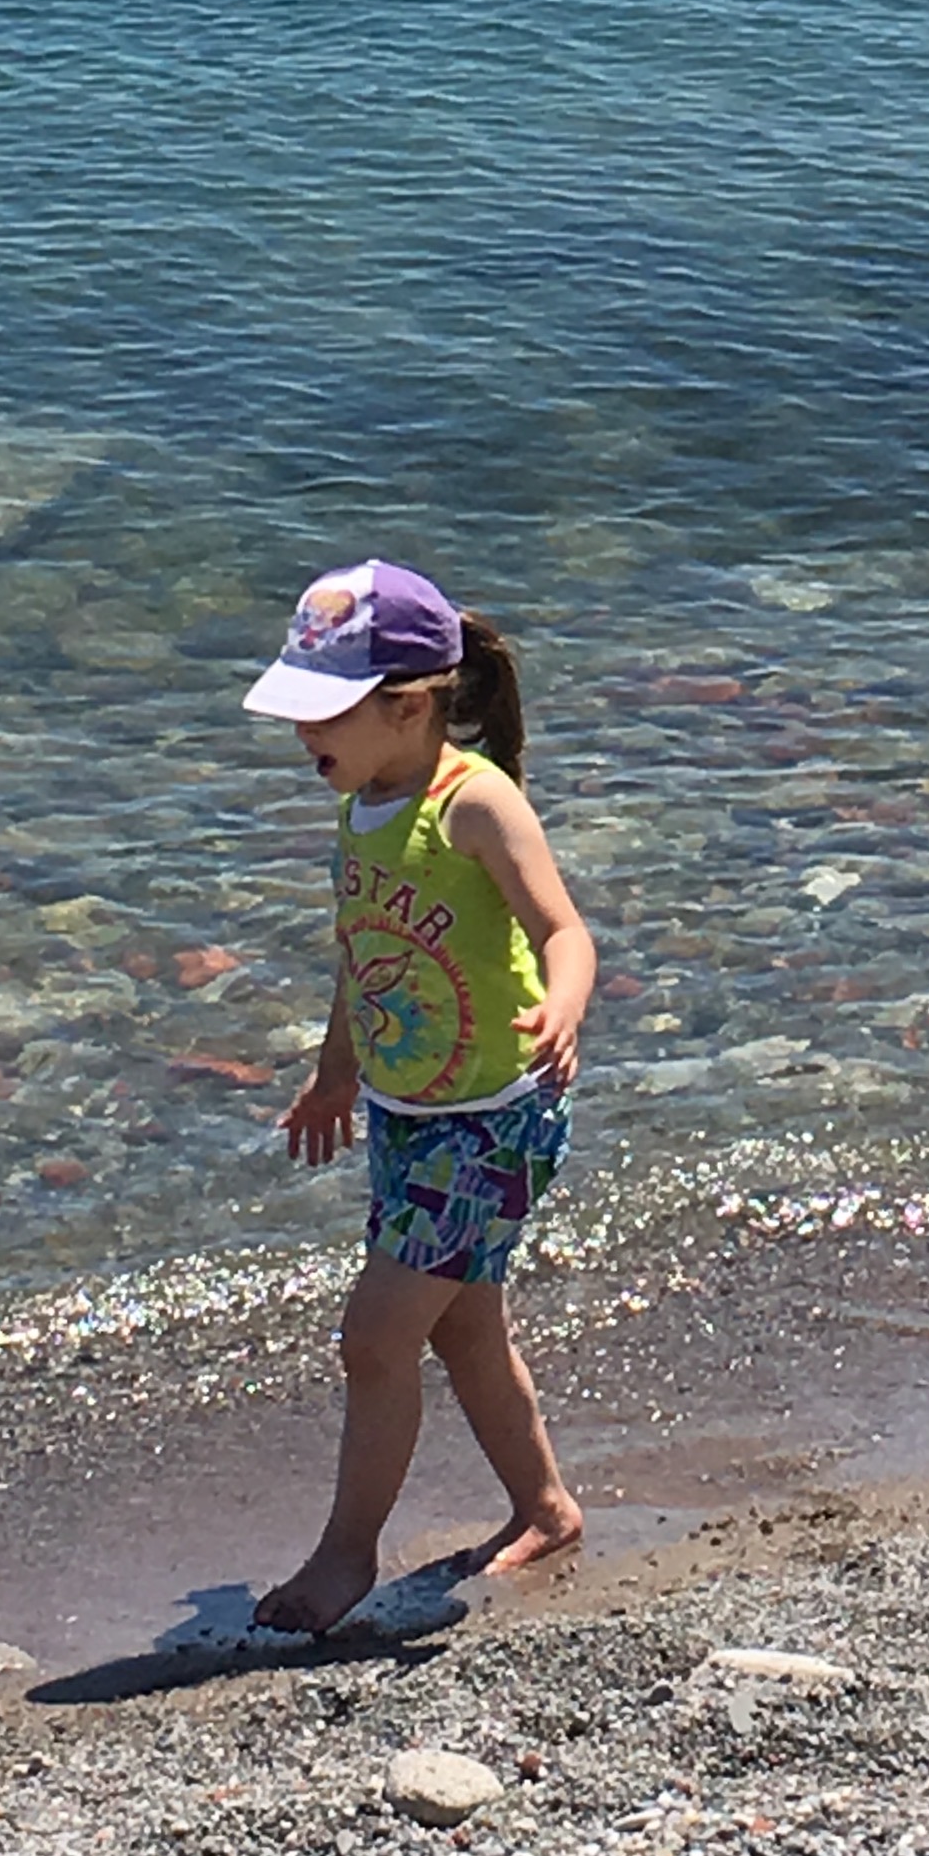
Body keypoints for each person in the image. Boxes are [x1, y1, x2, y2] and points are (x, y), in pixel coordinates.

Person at [240, 558, 596, 1628]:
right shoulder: (364, 805)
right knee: (464, 1329)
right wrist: (334, 1071)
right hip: (411, 1119)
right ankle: (546, 1507)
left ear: (407, 707)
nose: (302, 733)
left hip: (493, 1120)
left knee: (376, 1336)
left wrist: (563, 1007)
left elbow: (563, 932)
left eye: (324, 711)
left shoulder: (473, 804)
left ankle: (346, 1557)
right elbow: (366, 955)